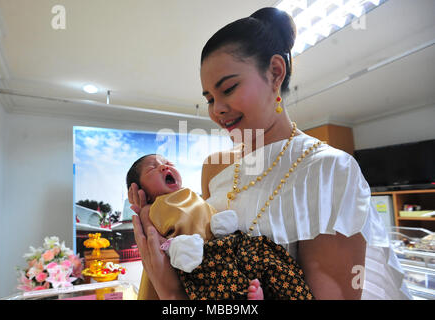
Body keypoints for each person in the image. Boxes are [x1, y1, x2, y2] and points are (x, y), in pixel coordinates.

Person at [131, 7, 411, 300]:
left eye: (228, 88)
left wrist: (172, 294)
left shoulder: (328, 170)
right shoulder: (214, 167)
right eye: (210, 99)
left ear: (275, 72)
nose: (217, 110)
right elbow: (199, 250)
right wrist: (154, 216)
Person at [127, 154, 314, 300]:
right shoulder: (151, 208)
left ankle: (285, 289)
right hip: (198, 257)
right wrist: (173, 245)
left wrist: (220, 223)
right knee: (217, 285)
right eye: (152, 168)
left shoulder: (190, 194)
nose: (164, 166)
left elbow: (206, 212)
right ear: (142, 191)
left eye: (168, 162)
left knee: (267, 257)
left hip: (228, 243)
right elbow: (155, 241)